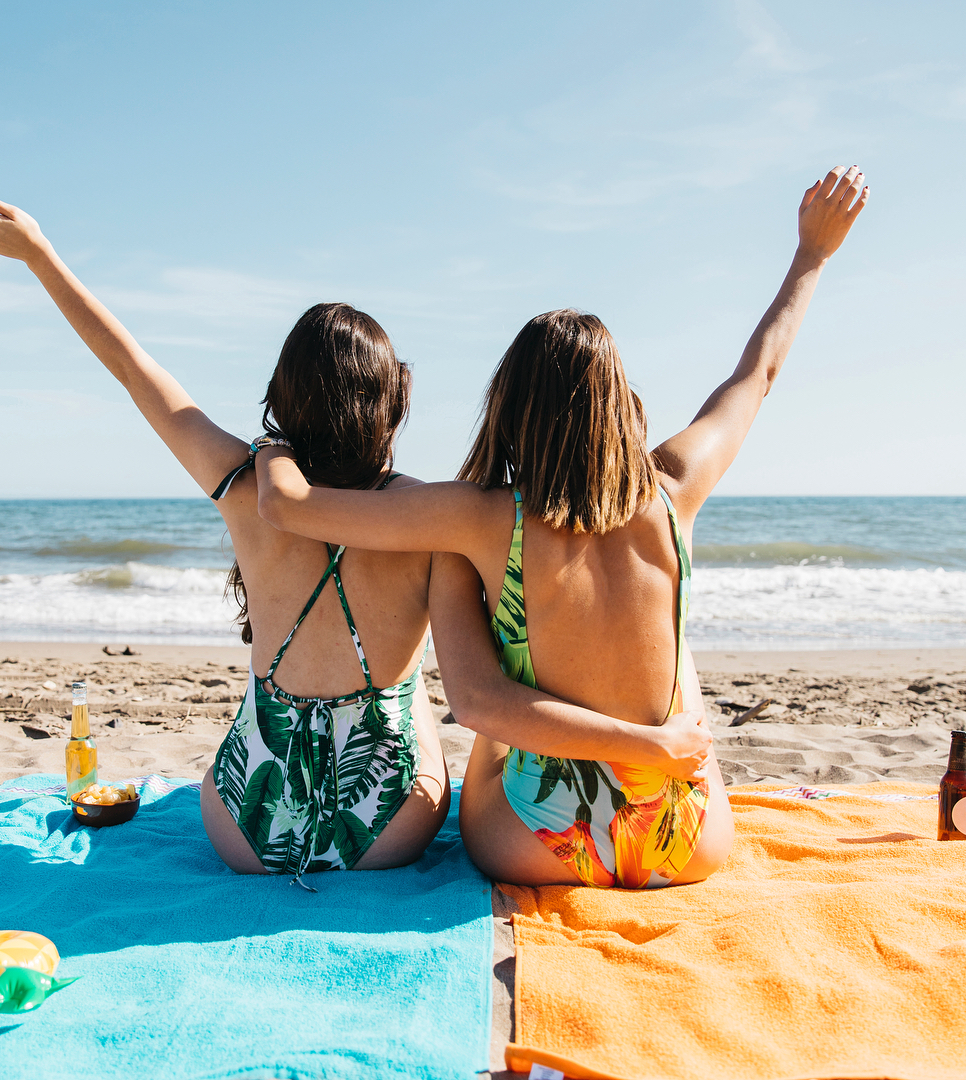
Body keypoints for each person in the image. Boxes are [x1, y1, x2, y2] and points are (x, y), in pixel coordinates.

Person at [0, 190, 710, 884]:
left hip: (245, 830)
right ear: (394, 402)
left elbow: (135, 371)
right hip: (389, 832)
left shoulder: (244, 487)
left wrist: (40, 255)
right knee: (432, 719)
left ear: (280, 396)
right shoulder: (433, 523)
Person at [251, 165, 869, 889]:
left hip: (544, 844)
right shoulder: (675, 488)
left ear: (508, 404)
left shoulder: (481, 517)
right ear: (618, 402)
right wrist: (811, 256)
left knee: (488, 705)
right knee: (677, 652)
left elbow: (289, 507)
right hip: (683, 839)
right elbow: (757, 373)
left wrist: (273, 444)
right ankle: (658, 754)